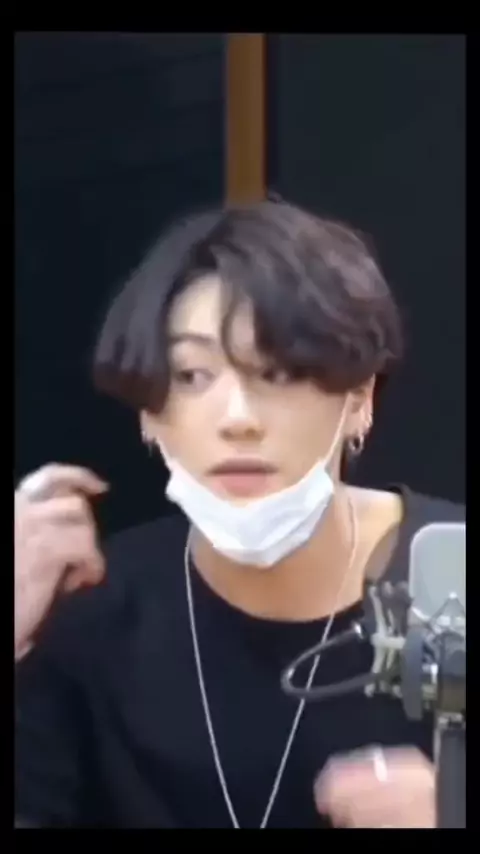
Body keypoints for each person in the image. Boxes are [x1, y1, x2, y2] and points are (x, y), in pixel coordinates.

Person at [15, 199, 464, 829]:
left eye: (276, 372)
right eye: (191, 375)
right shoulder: (89, 612)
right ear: (149, 413)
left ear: (360, 398)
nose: (237, 419)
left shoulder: (453, 574)